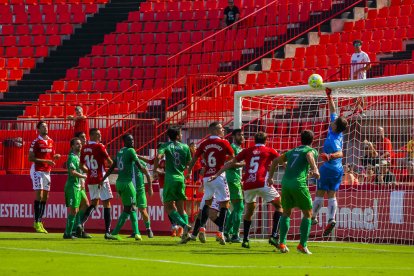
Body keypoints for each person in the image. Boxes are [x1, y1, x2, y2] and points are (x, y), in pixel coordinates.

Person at [210, 131, 282, 249]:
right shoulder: (269, 150)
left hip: (248, 184)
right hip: (261, 182)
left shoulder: (247, 150)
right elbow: (281, 161)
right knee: (279, 206)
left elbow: (230, 163)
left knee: (248, 212)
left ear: (254, 140)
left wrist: (217, 174)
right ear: (266, 140)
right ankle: (274, 235)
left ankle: (245, 239)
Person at [268, 130, 320, 254]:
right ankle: (302, 245)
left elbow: (275, 161)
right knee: (308, 214)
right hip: (298, 184)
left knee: (286, 213)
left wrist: (270, 177)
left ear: (300, 139)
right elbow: (309, 156)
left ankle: (282, 243)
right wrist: (315, 169)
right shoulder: (311, 150)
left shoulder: (292, 151)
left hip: (285, 183)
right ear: (312, 141)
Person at [187, 122, 234, 245]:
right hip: (219, 176)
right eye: (221, 129)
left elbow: (194, 159)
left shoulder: (204, 144)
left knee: (206, 203)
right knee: (225, 204)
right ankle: (221, 232)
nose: (223, 130)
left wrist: (187, 173)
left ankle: (201, 228)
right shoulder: (224, 143)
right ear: (214, 130)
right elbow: (233, 158)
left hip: (207, 178)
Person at [311, 88, 348, 237]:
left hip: (329, 167)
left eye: (334, 122)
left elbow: (341, 153)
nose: (331, 122)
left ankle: (312, 217)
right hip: (338, 169)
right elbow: (333, 110)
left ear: (336, 127)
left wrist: (330, 156)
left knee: (319, 193)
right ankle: (331, 219)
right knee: (331, 195)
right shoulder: (337, 132)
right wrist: (329, 96)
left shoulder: (333, 139)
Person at [102, 134, 151, 241]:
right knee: (132, 207)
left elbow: (112, 167)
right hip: (127, 183)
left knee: (128, 208)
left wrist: (103, 178)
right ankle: (135, 233)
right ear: (124, 141)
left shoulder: (120, 152)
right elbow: (138, 165)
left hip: (119, 182)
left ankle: (116, 233)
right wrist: (145, 172)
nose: (132, 141)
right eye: (129, 140)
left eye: (133, 139)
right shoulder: (130, 151)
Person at [154, 126, 193, 244]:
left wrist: (155, 169)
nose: (181, 136)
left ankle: (183, 225)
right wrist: (188, 173)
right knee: (181, 208)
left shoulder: (165, 146)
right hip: (181, 179)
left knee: (168, 207)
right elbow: (189, 163)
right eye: (180, 134)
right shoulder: (185, 147)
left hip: (170, 179)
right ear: (177, 136)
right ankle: (186, 235)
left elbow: (158, 156)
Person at [80, 128, 114, 239]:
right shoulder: (100, 146)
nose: (100, 136)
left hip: (91, 179)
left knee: (94, 203)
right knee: (106, 203)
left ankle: (81, 223)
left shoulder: (84, 148)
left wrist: (89, 171)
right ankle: (107, 232)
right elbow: (110, 162)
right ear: (93, 135)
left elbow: (81, 166)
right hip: (101, 178)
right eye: (98, 134)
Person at [139, 145, 179, 237]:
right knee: (167, 207)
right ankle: (176, 225)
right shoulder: (158, 160)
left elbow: (172, 172)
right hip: (162, 187)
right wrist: (138, 156)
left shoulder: (169, 159)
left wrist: (160, 172)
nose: (159, 152)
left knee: (172, 205)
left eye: (161, 150)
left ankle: (176, 226)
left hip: (169, 185)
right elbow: (149, 161)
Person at [29, 120, 61, 234]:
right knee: (40, 195)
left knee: (45, 197)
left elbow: (51, 155)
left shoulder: (51, 141)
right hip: (37, 170)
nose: (45, 128)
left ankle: (40, 221)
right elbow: (31, 158)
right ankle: (36, 222)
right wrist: (46, 160)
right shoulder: (35, 142)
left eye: (46, 126)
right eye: (43, 126)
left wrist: (55, 157)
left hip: (47, 171)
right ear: (38, 129)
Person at [63, 138, 87, 239]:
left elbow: (83, 168)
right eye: (77, 144)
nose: (79, 145)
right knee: (74, 210)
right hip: (72, 186)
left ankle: (77, 227)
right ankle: (67, 233)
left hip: (78, 186)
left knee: (85, 204)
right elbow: (72, 172)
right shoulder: (72, 157)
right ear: (72, 146)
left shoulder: (79, 157)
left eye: (80, 144)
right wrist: (83, 177)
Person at [224, 129, 245, 243]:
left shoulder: (239, 149)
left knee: (237, 207)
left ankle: (227, 231)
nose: (241, 137)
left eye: (242, 135)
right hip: (232, 179)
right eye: (239, 135)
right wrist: (244, 163)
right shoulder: (232, 148)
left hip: (236, 179)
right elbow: (231, 164)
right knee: (239, 207)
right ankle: (234, 235)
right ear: (233, 136)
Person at [73, 131, 92, 238]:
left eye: (85, 137)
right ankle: (76, 228)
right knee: (83, 205)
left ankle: (78, 228)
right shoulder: (76, 154)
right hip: (77, 183)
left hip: (81, 182)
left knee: (83, 206)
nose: (84, 139)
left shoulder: (84, 152)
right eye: (82, 138)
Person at [132, 155, 154, 238]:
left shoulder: (140, 162)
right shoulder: (127, 163)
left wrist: (150, 187)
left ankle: (148, 229)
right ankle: (136, 231)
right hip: (131, 191)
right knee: (132, 210)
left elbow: (148, 175)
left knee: (143, 210)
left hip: (140, 190)